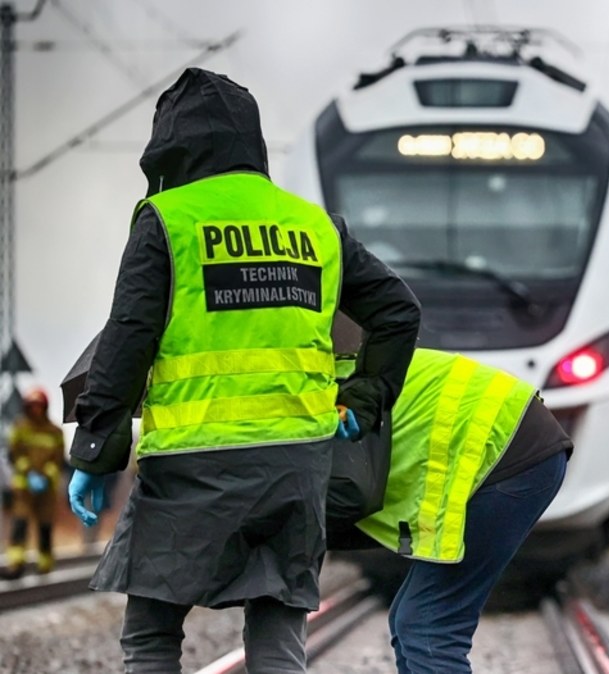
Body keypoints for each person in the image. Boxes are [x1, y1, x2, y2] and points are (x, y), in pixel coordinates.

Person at [64, 68, 421, 674]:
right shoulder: (315, 227)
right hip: (296, 465)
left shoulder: (168, 219)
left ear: (171, 146)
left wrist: (97, 451)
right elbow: (398, 312)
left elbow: (128, 338)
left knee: (152, 636)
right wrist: (361, 405)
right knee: (279, 640)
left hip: (190, 464)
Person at [337, 349, 572, 674]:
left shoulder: (310, 407)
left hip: (508, 452)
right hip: (515, 440)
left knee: (428, 625)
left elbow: (338, 506)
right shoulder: (319, 384)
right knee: (413, 620)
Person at [1, 388, 65, 579]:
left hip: (47, 488)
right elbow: (14, 454)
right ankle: (16, 562)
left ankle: (45, 563)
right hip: (23, 487)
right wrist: (29, 472)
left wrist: (46, 475)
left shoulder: (55, 431)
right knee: (20, 523)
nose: (36, 410)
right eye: (32, 406)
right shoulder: (20, 428)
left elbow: (58, 458)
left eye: (39, 406)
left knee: (45, 526)